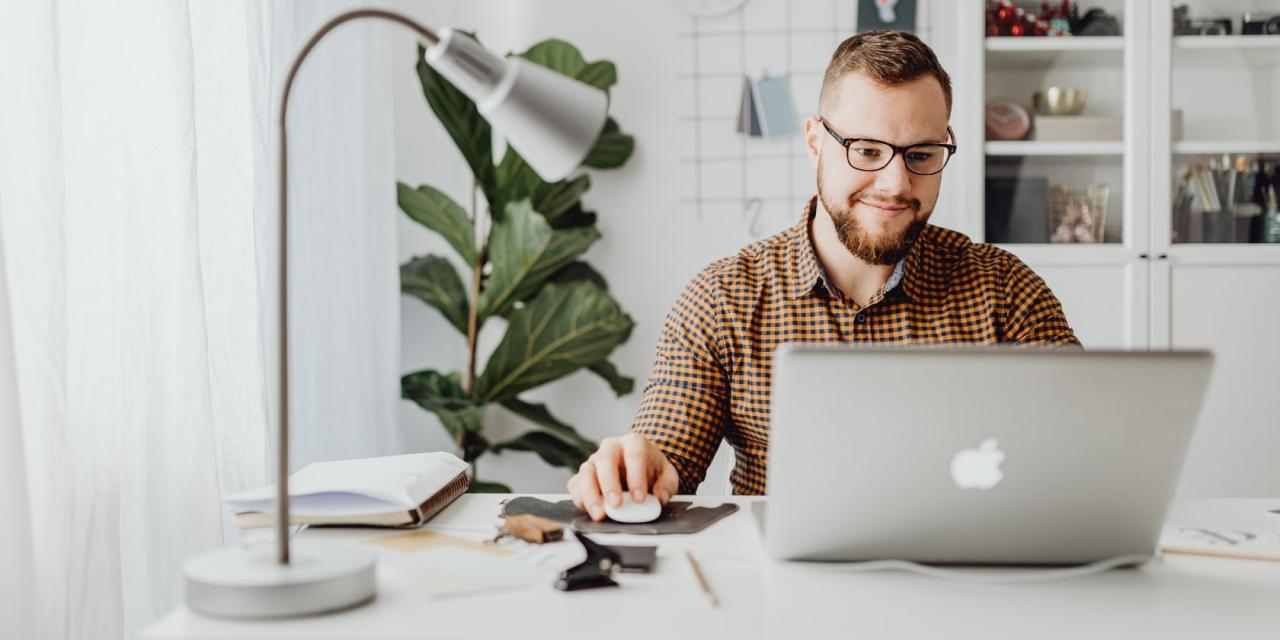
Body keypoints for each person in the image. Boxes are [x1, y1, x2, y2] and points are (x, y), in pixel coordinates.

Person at [568, 30, 1079, 521]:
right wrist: (636, 468)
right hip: (781, 591)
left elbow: (1086, 449)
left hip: (966, 582)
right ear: (815, 142)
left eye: (921, 155)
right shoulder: (723, 298)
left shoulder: (1006, 291)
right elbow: (666, 456)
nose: (896, 184)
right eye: (867, 150)